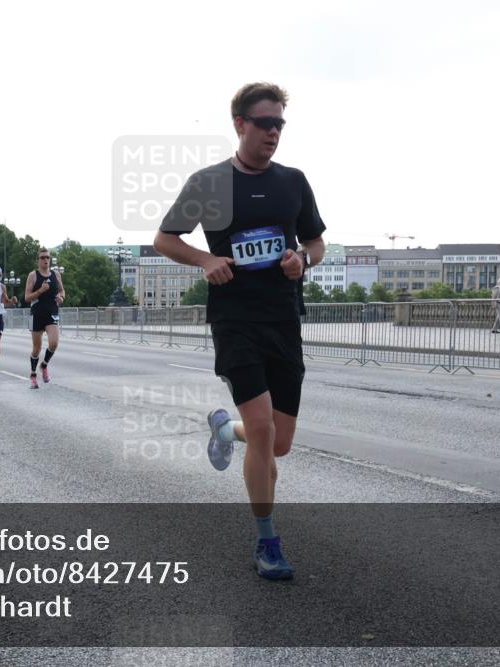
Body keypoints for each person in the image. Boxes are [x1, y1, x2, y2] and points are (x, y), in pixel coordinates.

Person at [153, 82, 326, 580]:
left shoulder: (293, 182)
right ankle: (267, 541)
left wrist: (302, 261)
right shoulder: (209, 183)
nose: (274, 133)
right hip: (234, 321)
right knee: (266, 428)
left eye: (280, 124)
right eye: (265, 123)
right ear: (241, 124)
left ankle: (225, 428)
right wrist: (206, 259)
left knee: (279, 442)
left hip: (283, 320)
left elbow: (316, 243)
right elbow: (165, 238)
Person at [25, 247, 65, 389]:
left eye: (47, 257)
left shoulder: (56, 274)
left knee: (54, 343)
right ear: (38, 260)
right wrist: (41, 290)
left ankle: (44, 365)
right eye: (42, 258)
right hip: (37, 313)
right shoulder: (33, 276)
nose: (45, 260)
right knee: (37, 348)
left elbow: (61, 290)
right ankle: (33, 374)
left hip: (52, 312)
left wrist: (61, 297)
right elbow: (27, 298)